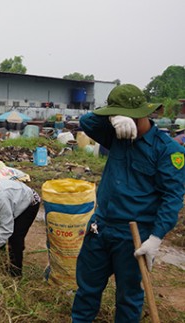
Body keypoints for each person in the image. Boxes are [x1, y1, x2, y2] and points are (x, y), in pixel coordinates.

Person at [71, 84, 185, 322]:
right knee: (87, 290)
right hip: (100, 226)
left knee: (129, 297)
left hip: (134, 234)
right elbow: (87, 122)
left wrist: (155, 238)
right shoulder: (116, 135)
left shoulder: (167, 150)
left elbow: (172, 197)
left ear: (142, 113)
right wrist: (114, 117)